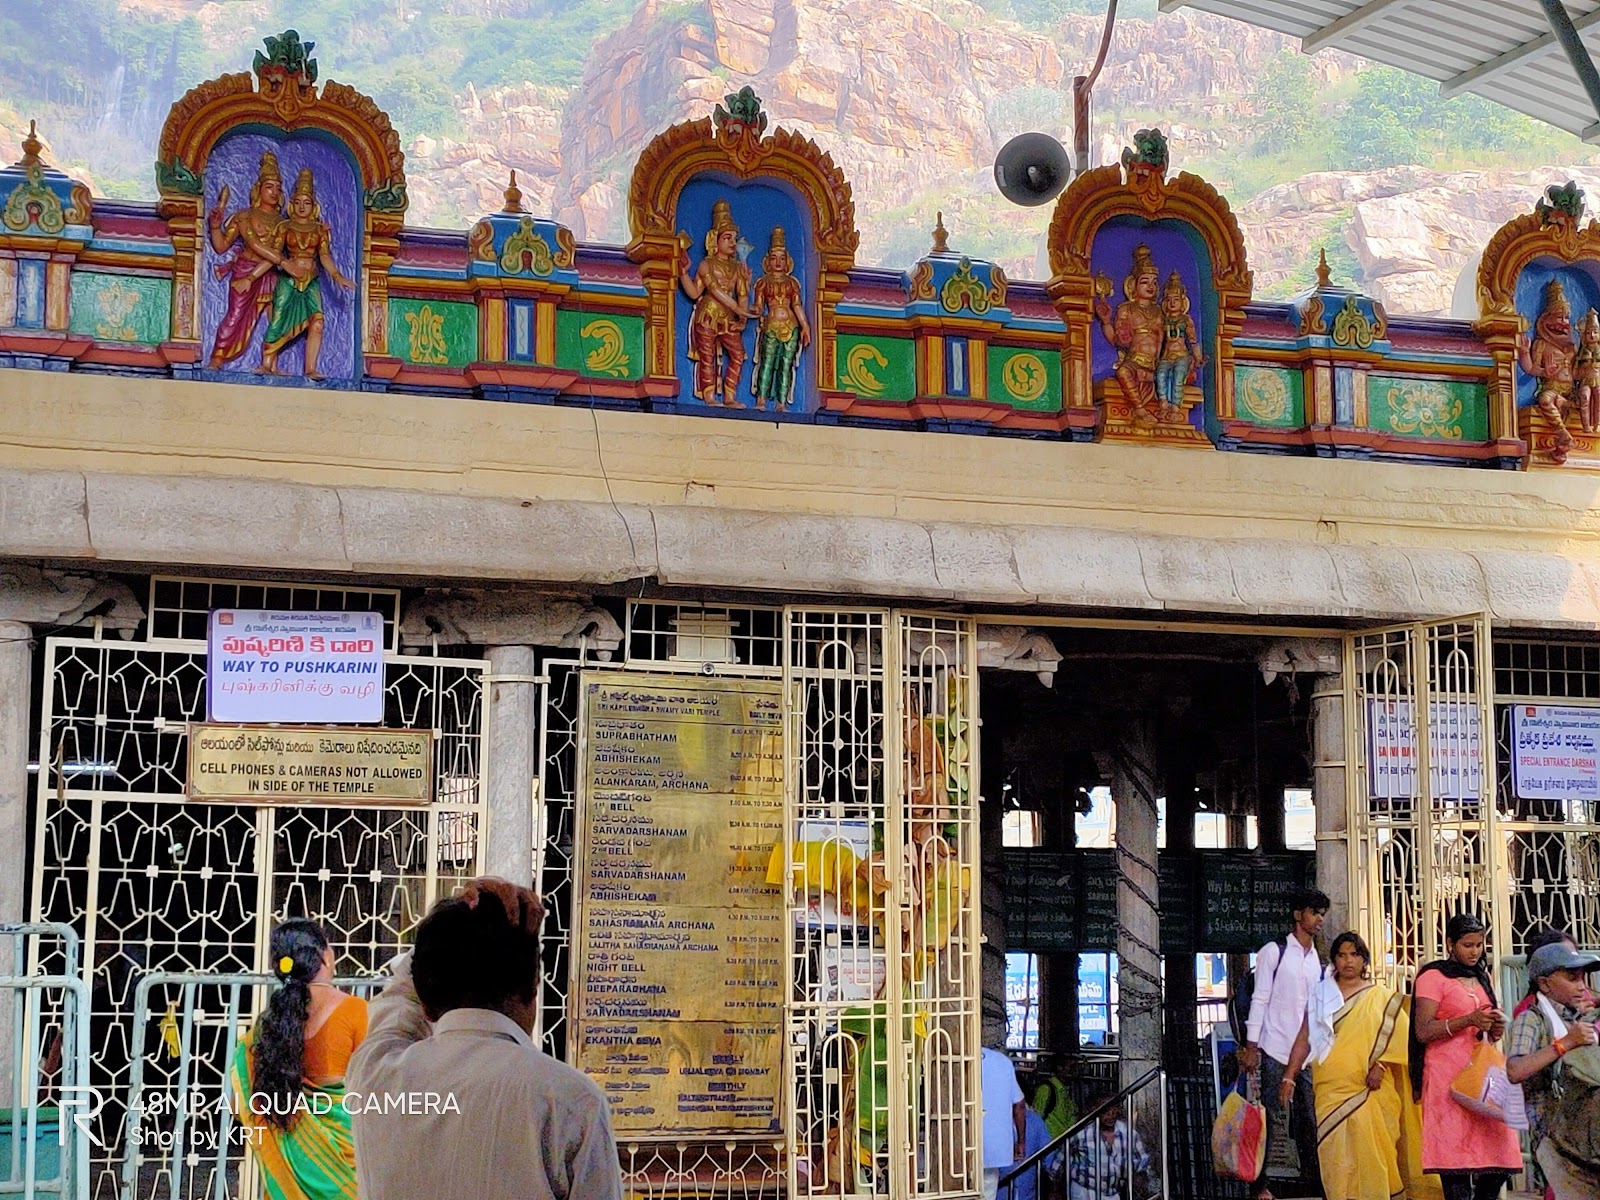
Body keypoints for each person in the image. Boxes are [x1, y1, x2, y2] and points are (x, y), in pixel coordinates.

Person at [347, 877, 623, 1200]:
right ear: (533, 986)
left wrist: (465, 907)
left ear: (425, 1002)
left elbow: (400, 992)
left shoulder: (375, 1077)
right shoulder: (572, 1102)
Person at [230, 919, 368, 1200]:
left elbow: (238, 1105)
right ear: (326, 957)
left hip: (289, 1175)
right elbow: (378, 1085)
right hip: (348, 1170)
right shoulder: (356, 1011)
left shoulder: (265, 1027)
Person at [1284, 931, 1419, 1200]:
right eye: (1342, 955)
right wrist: (1289, 1075)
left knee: (1374, 1149)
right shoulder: (1321, 995)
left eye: (1355, 955)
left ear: (1364, 960)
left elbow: (1400, 1037)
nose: (1348, 961)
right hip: (1329, 1087)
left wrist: (1379, 1067)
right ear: (1334, 960)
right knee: (1334, 1151)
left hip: (1370, 1088)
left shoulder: (1381, 997)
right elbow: (1304, 1036)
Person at [1409, 912, 1522, 1200]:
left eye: (1479, 945)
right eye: (1467, 945)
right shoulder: (1432, 976)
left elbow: (1487, 1030)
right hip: (1447, 1076)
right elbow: (1422, 1031)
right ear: (1450, 943)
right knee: (1454, 1163)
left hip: (1482, 1077)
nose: (1474, 952)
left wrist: (1494, 1027)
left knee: (1496, 1160)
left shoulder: (1481, 975)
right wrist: (1468, 1019)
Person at [1238, 887, 1327, 1200]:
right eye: (1314, 912)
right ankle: (1260, 1185)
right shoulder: (1273, 952)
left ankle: (1313, 1181)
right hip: (1275, 1047)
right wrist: (1252, 1046)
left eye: (1322, 914)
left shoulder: (1318, 960)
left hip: (1307, 1053)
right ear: (1297, 915)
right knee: (1270, 1120)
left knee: (1309, 1120)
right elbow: (1259, 998)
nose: (1319, 919)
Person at [1506, 941, 1600, 1200]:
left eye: (1583, 978)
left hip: (1583, 1139)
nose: (1581, 985)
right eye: (1572, 978)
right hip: (1554, 1141)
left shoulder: (1576, 1017)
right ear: (1545, 984)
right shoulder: (1531, 1018)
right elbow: (1515, 1070)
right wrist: (1565, 1043)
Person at [260, 168, 353, 379]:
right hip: (289, 278)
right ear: (292, 204)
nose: (302, 207)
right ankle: (267, 363)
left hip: (311, 280)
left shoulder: (320, 229)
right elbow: (274, 255)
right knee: (279, 318)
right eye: (299, 202)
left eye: (307, 202)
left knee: (318, 322)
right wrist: (254, 275)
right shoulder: (284, 226)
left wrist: (337, 276)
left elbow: (325, 256)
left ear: (313, 206)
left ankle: (310, 367)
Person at [207, 150, 287, 369]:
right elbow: (221, 245)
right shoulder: (245, 216)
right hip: (245, 270)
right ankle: (217, 357)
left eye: (278, 188)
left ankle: (270, 364)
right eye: (269, 187)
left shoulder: (282, 223)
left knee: (276, 318)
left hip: (270, 274)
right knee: (235, 315)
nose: (274, 192)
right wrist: (215, 226)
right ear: (258, 189)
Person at [678, 198, 752, 406]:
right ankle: (709, 397)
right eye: (727, 237)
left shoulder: (738, 268)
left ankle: (729, 396)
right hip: (708, 316)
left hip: (729, 320)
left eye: (734, 238)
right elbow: (703, 291)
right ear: (715, 240)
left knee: (738, 355)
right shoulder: (706, 264)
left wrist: (742, 317)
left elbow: (743, 295)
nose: (732, 242)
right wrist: (683, 274)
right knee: (707, 357)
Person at [750, 225, 810, 412]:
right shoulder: (763, 282)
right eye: (774, 258)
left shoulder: (792, 283)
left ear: (788, 262)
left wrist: (805, 326)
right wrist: (749, 309)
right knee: (767, 362)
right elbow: (759, 307)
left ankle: (781, 403)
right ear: (767, 261)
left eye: (782, 259)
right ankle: (761, 400)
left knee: (786, 365)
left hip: (791, 327)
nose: (778, 262)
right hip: (771, 326)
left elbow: (797, 305)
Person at [1064, 1094, 1150, 1200]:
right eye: (1106, 1110)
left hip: (1112, 1193)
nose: (1111, 1115)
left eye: (1114, 1109)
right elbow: (1059, 1162)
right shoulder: (1082, 1133)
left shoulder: (1129, 1135)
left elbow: (1143, 1163)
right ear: (1095, 1110)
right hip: (1084, 1191)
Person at [981, 1043, 1026, 1200]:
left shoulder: (951, 1059)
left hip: (955, 1145)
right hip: (993, 1147)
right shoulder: (1002, 1061)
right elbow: (1019, 1105)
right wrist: (1020, 1141)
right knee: (987, 1191)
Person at [1032, 1054, 1078, 1143]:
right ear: (1060, 1068)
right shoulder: (1046, 1089)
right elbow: (1037, 1118)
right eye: (1072, 1067)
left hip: (1061, 1143)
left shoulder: (1065, 1091)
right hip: (1049, 1144)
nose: (1075, 1072)